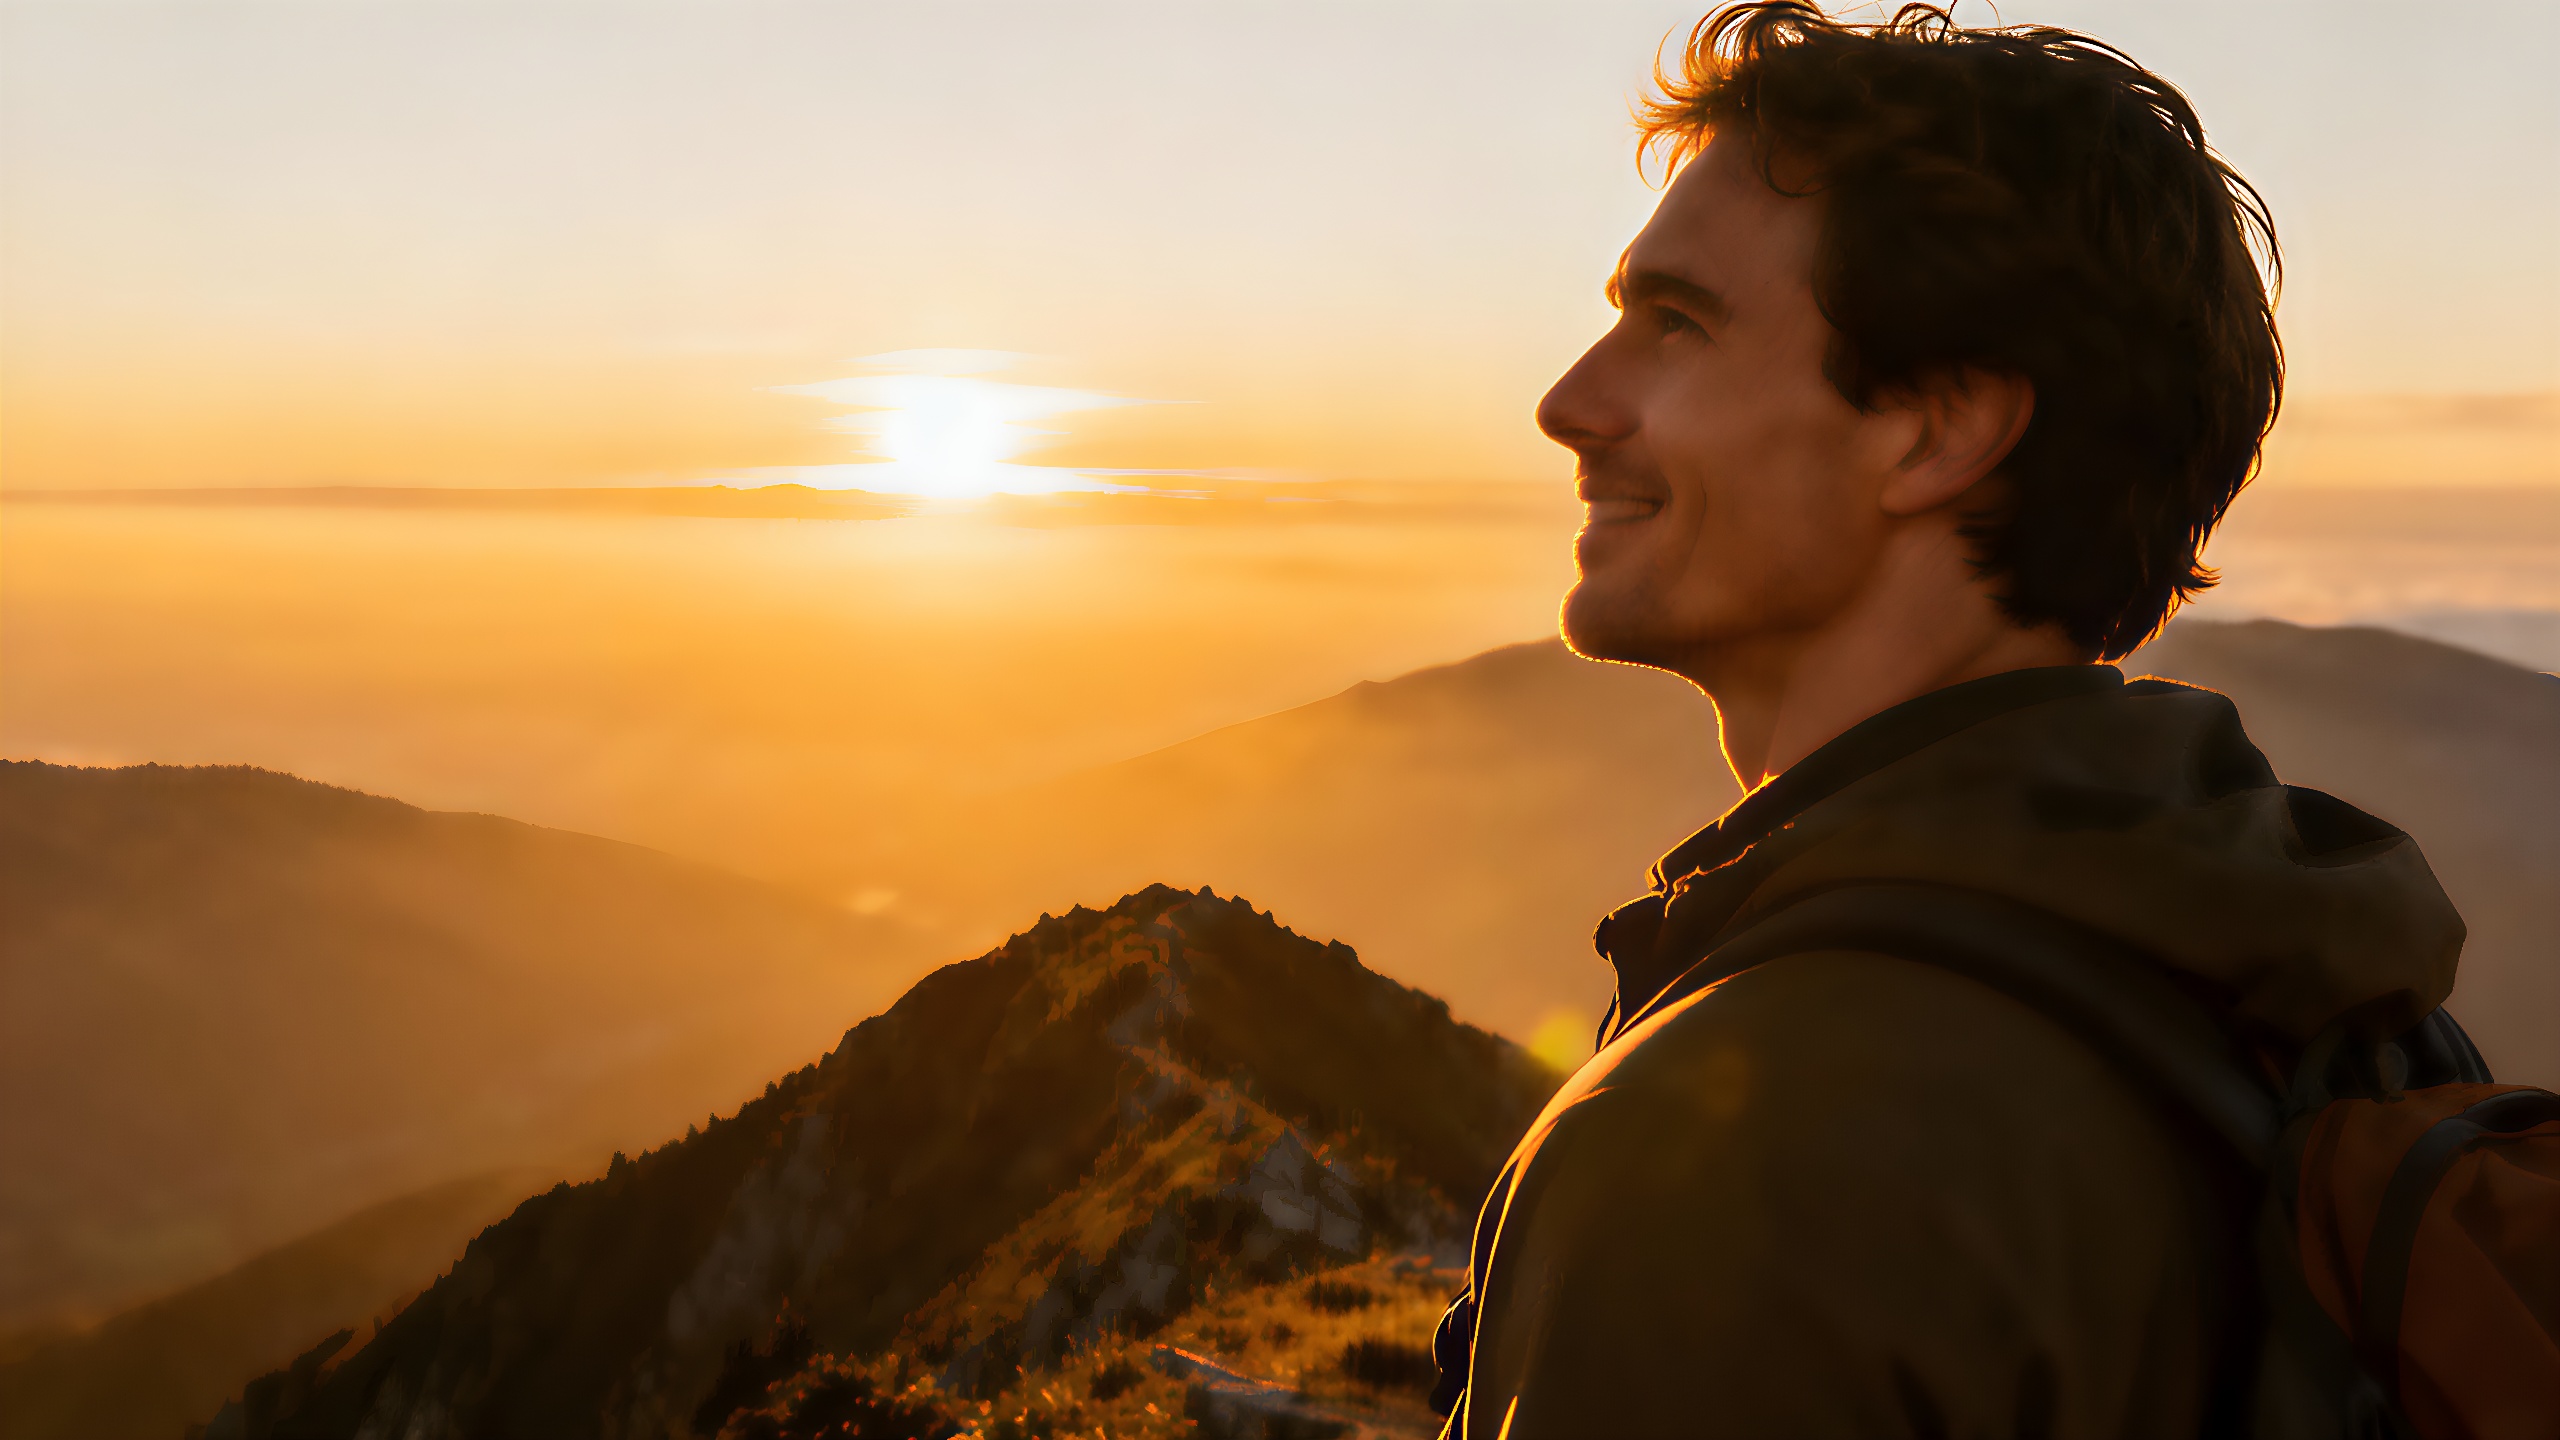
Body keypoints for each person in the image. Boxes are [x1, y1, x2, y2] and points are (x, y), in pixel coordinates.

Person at [1431, 4, 2467, 1436]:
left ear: (1934, 429)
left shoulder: (1739, 1162)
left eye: (1676, 323)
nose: (1570, 402)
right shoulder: (2324, 1010)